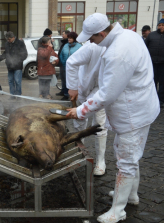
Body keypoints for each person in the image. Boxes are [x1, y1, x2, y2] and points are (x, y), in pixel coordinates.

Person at [66, 13, 159, 223]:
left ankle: (118, 210)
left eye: (91, 38)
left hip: (134, 113)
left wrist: (80, 110)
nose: (90, 42)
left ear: (101, 33)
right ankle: (131, 195)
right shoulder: (127, 35)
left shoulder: (118, 52)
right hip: (139, 107)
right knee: (130, 155)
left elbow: (107, 93)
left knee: (126, 159)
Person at [66, 41, 108, 176]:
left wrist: (89, 103)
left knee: (100, 125)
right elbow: (71, 62)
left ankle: (101, 161)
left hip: (101, 93)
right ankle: (79, 153)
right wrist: (72, 87)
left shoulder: (114, 50)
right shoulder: (91, 48)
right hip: (81, 89)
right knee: (78, 123)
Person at [0, 31, 27, 99]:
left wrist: (18, 60)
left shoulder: (20, 43)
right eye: (7, 39)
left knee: (17, 81)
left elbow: (25, 54)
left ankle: (18, 95)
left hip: (18, 66)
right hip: (10, 66)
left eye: (9, 39)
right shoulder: (7, 43)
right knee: (10, 81)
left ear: (13, 37)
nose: (8, 41)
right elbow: (5, 53)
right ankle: (12, 95)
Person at [145, 19, 164, 108]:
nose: (161, 27)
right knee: (152, 82)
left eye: (162, 25)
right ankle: (152, 99)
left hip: (162, 64)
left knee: (162, 83)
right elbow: (145, 47)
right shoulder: (151, 35)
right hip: (152, 63)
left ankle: (161, 100)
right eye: (159, 25)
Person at [59, 32, 81, 100]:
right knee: (65, 81)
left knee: (74, 81)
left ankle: (75, 95)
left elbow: (82, 56)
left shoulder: (79, 46)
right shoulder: (65, 45)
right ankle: (66, 94)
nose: (69, 39)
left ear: (74, 38)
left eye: (70, 38)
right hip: (65, 66)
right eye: (68, 38)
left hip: (75, 68)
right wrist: (63, 62)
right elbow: (61, 54)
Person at [56, 30, 70, 97]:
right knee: (62, 79)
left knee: (65, 79)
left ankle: (66, 94)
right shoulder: (64, 43)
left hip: (65, 64)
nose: (62, 35)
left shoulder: (67, 43)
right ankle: (63, 91)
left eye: (63, 34)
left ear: (67, 35)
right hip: (62, 64)